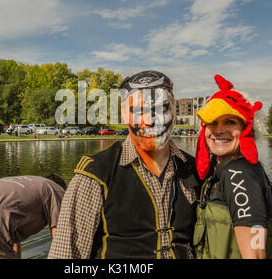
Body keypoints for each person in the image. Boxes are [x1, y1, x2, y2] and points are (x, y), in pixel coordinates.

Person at [48, 70, 201, 259]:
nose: (151, 120)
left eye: (162, 109)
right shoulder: (96, 174)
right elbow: (66, 254)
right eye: (139, 111)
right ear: (124, 115)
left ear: (174, 112)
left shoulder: (192, 168)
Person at [193, 75, 272, 259]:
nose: (219, 130)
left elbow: (256, 254)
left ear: (246, 129)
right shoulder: (225, 171)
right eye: (213, 122)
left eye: (229, 121)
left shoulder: (238, 173)